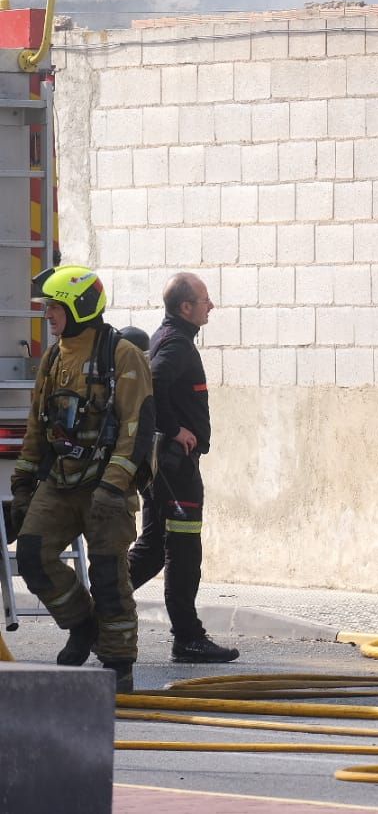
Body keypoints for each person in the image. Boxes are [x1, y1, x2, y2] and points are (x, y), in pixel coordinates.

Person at [10, 265, 153, 692]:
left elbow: (136, 428)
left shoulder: (122, 355)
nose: (48, 316)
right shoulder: (55, 358)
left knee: (109, 575)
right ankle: (82, 624)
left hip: (106, 487)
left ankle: (118, 660)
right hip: (61, 480)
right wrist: (22, 483)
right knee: (34, 555)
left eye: (54, 307)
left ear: (79, 306)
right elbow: (39, 425)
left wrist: (113, 486)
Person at [127, 272, 239, 664]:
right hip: (175, 469)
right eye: (205, 300)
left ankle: (99, 609)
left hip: (164, 466)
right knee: (184, 550)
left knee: (154, 548)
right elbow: (153, 383)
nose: (212, 306)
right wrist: (176, 430)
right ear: (185, 307)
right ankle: (188, 638)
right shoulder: (175, 344)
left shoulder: (168, 338)